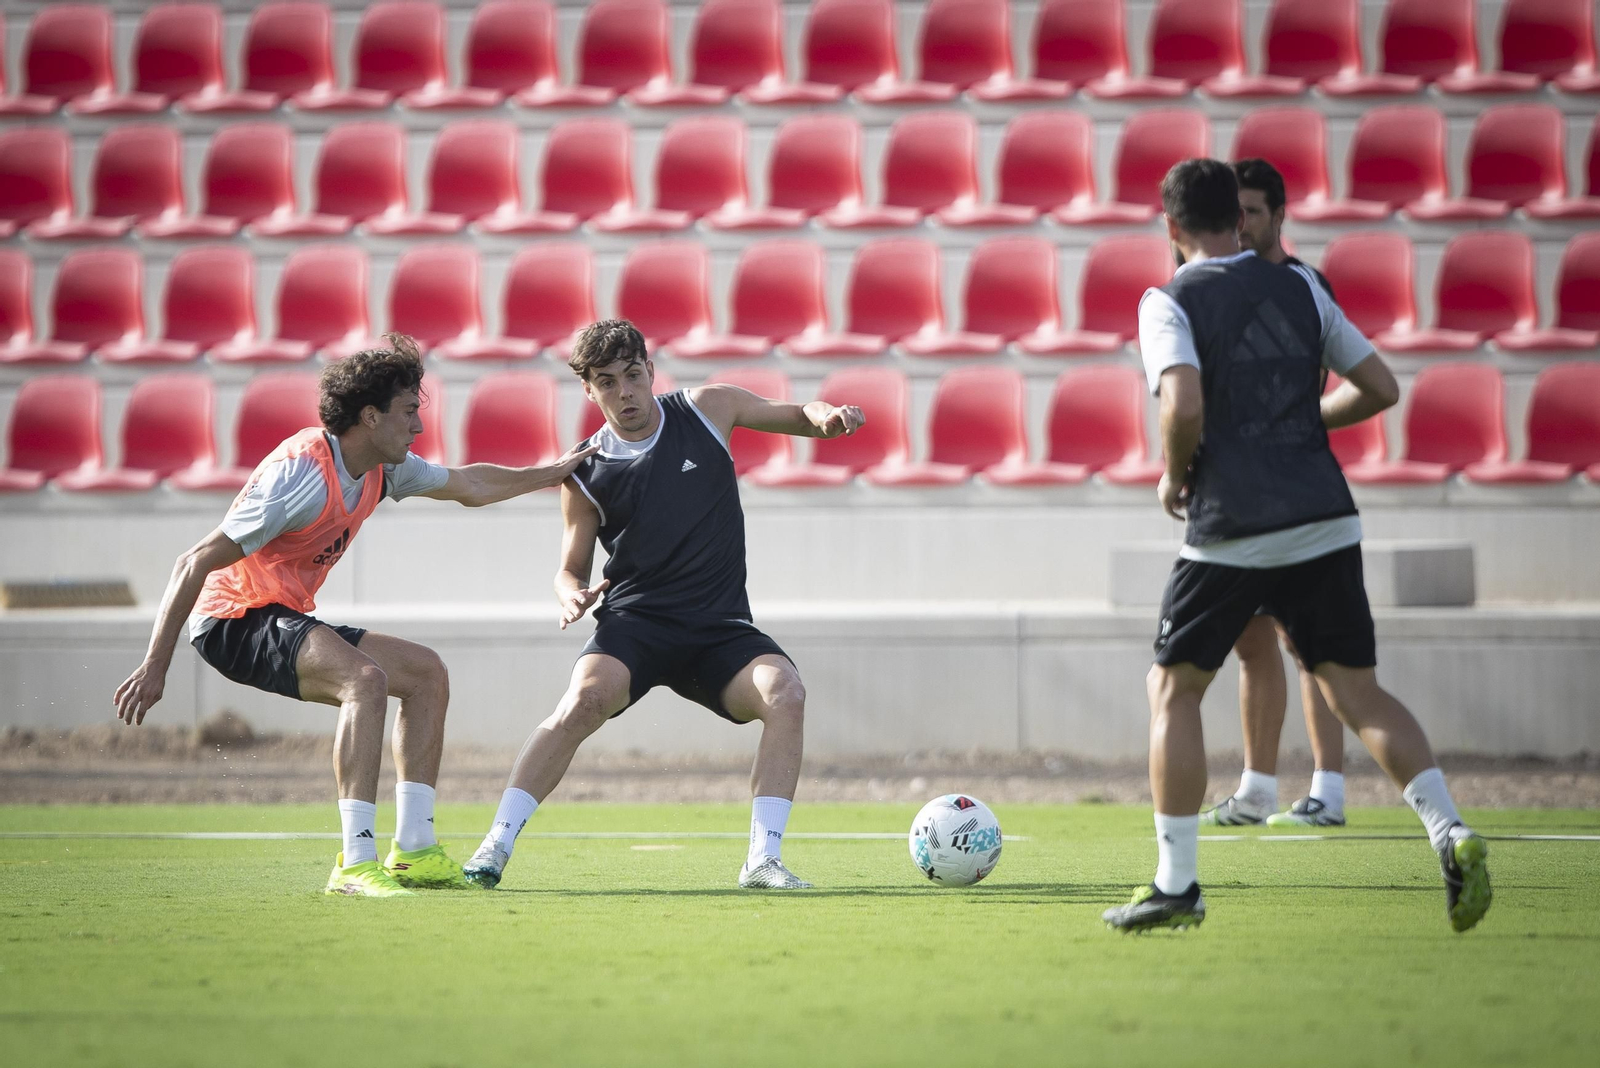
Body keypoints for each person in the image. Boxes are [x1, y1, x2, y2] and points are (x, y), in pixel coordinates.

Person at [1101, 159, 1492, 934]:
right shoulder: (1304, 287)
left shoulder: (1167, 299)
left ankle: (1177, 885)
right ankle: (1451, 831)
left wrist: (1175, 477)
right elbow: (1379, 386)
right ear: (1239, 220)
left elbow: (1181, 400)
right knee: (1357, 692)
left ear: (1171, 228)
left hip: (1232, 523)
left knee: (1173, 689)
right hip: (1324, 515)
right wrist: (1304, 432)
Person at [112, 335, 595, 897]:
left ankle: (414, 852)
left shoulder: (383, 468)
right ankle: (354, 862)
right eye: (410, 412)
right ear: (370, 416)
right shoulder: (299, 475)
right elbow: (192, 561)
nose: (418, 426)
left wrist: (552, 473)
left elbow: (470, 484)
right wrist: (154, 666)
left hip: (277, 613)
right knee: (363, 680)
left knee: (426, 674)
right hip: (229, 619)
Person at [462, 319, 865, 891]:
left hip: (718, 627)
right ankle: (494, 846)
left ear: (651, 371)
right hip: (637, 625)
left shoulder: (709, 408)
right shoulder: (583, 472)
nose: (624, 392)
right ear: (589, 390)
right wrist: (569, 592)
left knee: (787, 693)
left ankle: (762, 860)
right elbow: (569, 568)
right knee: (583, 700)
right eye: (607, 382)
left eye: (632, 375)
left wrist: (828, 415)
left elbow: (801, 415)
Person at [1202, 158, 1349, 830]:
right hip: (1239, 493)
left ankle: (1329, 786)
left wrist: (1298, 424)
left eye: (1252, 211)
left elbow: (1327, 384)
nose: (1242, 223)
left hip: (1290, 493)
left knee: (1304, 640)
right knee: (1251, 638)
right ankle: (1259, 788)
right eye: (1235, 212)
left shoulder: (1299, 286)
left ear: (1278, 216)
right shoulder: (1220, 289)